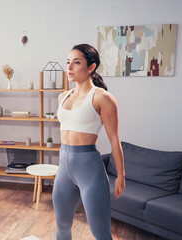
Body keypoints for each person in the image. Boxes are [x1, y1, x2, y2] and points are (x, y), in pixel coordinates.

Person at [53, 44, 125, 240]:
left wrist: (121, 175)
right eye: (68, 62)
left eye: (76, 63)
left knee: (101, 233)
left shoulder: (103, 98)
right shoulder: (62, 97)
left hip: (90, 172)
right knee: (62, 228)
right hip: (64, 170)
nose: (69, 68)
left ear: (91, 67)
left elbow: (114, 140)